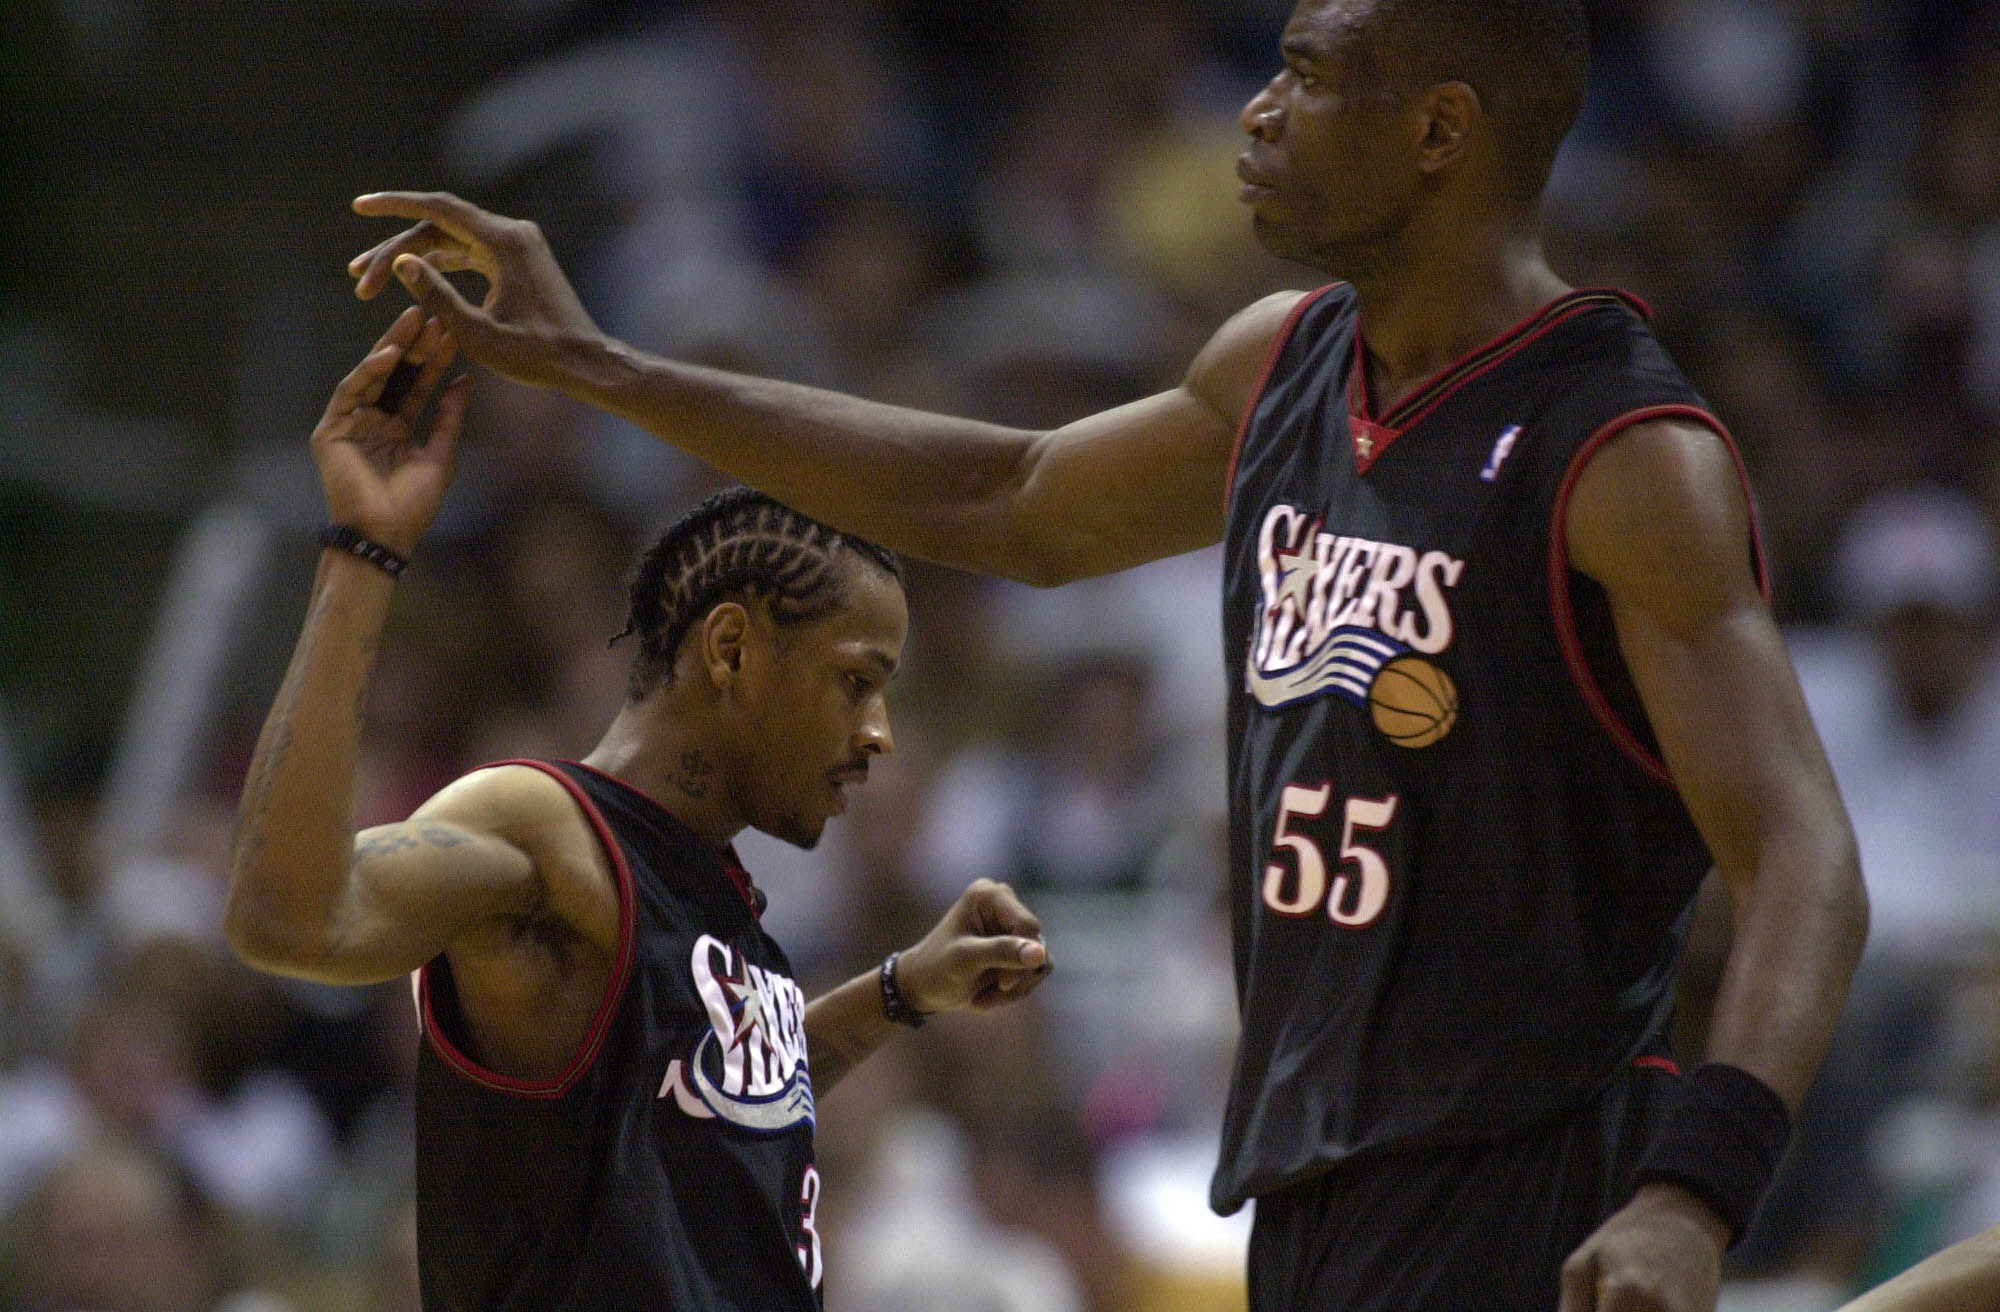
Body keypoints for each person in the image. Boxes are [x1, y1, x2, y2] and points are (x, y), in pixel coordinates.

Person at [344, 1, 1869, 1307]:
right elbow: (1001, 496)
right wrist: (602, 367)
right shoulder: (1285, 361)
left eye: (1311, 72)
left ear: (1442, 130)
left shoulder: (1619, 447)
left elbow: (1802, 856)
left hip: (1538, 1175)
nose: (1260, 112)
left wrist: (1694, 1196)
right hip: (1314, 1184)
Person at [222, 307, 1055, 1311]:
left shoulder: (711, 886)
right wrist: (360, 549)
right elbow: (287, 917)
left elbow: (708, 1106)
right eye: (855, 680)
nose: (878, 731)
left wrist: (896, 990)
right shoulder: (541, 825)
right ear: (732, 649)